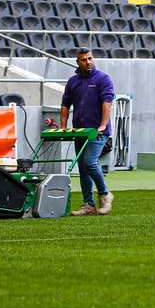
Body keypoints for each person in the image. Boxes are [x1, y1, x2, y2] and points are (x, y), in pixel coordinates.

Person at [60, 48, 115, 216]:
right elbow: (65, 104)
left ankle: (105, 195)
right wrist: (63, 126)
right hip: (80, 131)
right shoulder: (73, 81)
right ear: (78, 62)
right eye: (84, 60)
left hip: (97, 132)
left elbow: (107, 103)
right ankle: (89, 205)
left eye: (90, 58)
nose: (88, 62)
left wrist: (103, 125)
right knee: (83, 169)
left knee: (90, 163)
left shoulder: (102, 79)